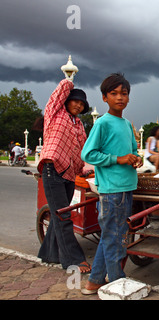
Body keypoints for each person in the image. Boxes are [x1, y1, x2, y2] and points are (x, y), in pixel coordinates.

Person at [80, 73, 142, 295]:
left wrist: (135, 159)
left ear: (128, 97)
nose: (120, 98)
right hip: (111, 191)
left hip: (126, 188)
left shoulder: (126, 124)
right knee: (115, 241)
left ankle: (94, 281)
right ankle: (117, 284)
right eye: (114, 94)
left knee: (111, 237)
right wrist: (118, 159)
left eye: (124, 94)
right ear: (104, 98)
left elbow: (132, 151)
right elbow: (88, 153)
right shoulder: (103, 123)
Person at [37, 77, 91, 274]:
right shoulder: (55, 113)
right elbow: (59, 91)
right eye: (75, 100)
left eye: (82, 103)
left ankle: (48, 254)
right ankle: (73, 260)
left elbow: (83, 151)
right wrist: (70, 80)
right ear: (67, 100)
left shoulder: (79, 125)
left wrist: (88, 168)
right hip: (52, 170)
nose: (78, 105)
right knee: (64, 216)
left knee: (59, 215)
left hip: (69, 174)